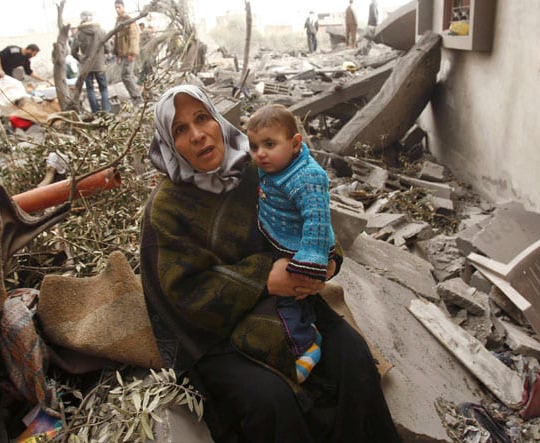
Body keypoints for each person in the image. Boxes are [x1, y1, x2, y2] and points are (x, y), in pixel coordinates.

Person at [141, 84, 401, 442]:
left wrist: (327, 262)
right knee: (271, 399)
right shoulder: (167, 208)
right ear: (170, 144)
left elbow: (310, 219)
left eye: (202, 118)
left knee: (352, 355)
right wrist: (264, 277)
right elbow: (182, 294)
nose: (198, 134)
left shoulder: (257, 170)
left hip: (289, 307)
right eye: (180, 130)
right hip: (218, 335)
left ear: (218, 120)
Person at [246, 104, 334, 384]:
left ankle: (304, 346)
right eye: (254, 146)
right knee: (297, 297)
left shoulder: (307, 177)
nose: (260, 153)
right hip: (282, 236)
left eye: (269, 144)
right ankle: (308, 327)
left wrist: (309, 263)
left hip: (304, 247)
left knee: (288, 297)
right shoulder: (272, 166)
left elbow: (318, 221)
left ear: (295, 143)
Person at [0, 44, 48, 113]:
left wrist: (42, 79)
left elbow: (29, 72)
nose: (32, 57)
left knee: (12, 87)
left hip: (7, 71)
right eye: (33, 54)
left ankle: (7, 106)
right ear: (29, 50)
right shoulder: (13, 50)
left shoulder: (26, 60)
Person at [71, 10, 112, 113]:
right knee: (103, 88)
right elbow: (108, 48)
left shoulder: (79, 33)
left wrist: (80, 58)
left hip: (86, 65)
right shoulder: (101, 31)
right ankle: (106, 111)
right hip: (99, 64)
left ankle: (95, 112)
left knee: (90, 89)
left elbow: (73, 50)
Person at [113, 0, 142, 106]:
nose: (117, 9)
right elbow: (116, 38)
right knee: (129, 75)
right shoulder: (118, 21)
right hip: (122, 54)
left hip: (129, 53)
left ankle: (137, 97)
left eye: (119, 7)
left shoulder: (129, 20)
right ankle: (136, 95)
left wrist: (132, 53)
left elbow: (134, 36)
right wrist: (117, 53)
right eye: (116, 7)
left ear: (123, 7)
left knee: (125, 76)